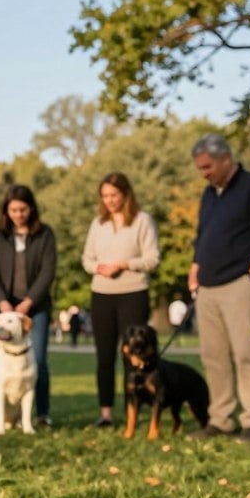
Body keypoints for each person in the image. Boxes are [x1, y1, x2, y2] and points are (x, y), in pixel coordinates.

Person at [188, 133, 250, 443]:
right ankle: (220, 419)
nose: (204, 173)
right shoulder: (209, 194)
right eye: (200, 168)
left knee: (246, 353)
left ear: (226, 159)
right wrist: (195, 265)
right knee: (213, 356)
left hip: (241, 281)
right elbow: (203, 235)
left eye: (207, 167)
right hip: (208, 286)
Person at [81, 172, 160, 427]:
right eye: (105, 196)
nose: (109, 200)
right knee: (104, 357)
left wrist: (125, 264)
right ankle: (105, 413)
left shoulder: (142, 221)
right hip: (102, 295)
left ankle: (132, 413)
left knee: (133, 356)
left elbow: (152, 259)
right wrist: (98, 268)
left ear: (126, 195)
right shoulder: (98, 224)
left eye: (114, 195)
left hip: (133, 293)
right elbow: (87, 259)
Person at [0, 184, 57, 428]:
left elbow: (47, 272)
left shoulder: (45, 234)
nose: (18, 214)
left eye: (22, 209)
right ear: (7, 211)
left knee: (37, 358)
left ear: (31, 208)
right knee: (4, 359)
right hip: (4, 307)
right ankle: (1, 415)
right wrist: (3, 304)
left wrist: (28, 303)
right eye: (13, 210)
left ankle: (43, 414)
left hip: (35, 306)